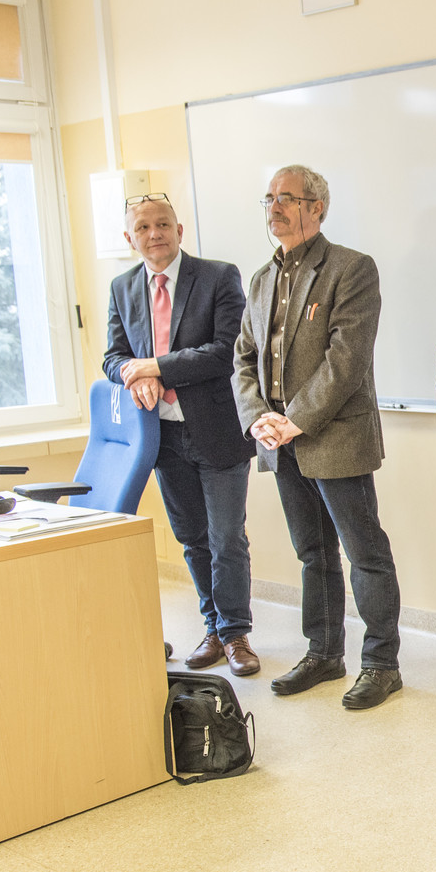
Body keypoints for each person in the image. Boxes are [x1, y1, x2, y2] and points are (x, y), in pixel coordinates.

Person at [233, 164, 404, 711]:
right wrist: (257, 417)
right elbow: (243, 359)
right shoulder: (261, 280)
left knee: (364, 553)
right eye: (269, 199)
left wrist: (296, 419)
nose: (275, 208)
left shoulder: (351, 269)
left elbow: (346, 360)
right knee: (313, 554)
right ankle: (324, 653)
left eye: (287, 198)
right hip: (280, 442)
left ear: (317, 208)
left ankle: (381, 664)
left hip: (334, 436)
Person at [104, 193, 258, 675]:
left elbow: (226, 350)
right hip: (163, 437)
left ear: (179, 230)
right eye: (143, 227)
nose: (154, 234)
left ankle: (235, 634)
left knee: (226, 538)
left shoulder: (218, 276)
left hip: (218, 430)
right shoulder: (122, 287)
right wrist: (132, 372)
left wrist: (155, 367)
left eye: (163, 224)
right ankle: (213, 628)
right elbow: (112, 356)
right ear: (129, 238)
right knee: (192, 539)